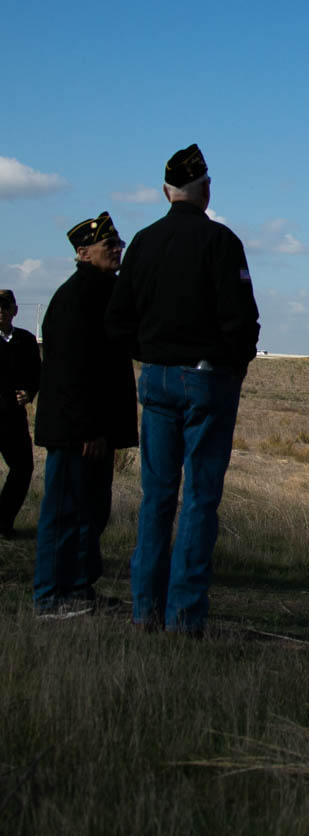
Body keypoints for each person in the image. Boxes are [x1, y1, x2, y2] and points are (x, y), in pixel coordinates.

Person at [106, 144, 260, 635]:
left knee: (156, 497)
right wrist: (234, 365)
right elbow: (242, 320)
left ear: (165, 192)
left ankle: (144, 610)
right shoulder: (221, 242)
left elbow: (117, 320)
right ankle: (184, 616)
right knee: (199, 497)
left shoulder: (143, 243)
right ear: (206, 189)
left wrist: (150, 353)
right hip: (206, 377)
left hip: (156, 376)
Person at [33, 212, 138, 615]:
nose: (117, 250)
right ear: (83, 253)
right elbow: (71, 370)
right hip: (76, 432)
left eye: (118, 244)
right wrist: (89, 428)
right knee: (65, 512)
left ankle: (78, 588)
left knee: (91, 513)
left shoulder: (104, 292)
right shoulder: (77, 296)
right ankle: (50, 596)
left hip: (95, 430)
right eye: (108, 245)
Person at [0, 288, 40, 538]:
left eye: (5, 306)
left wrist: (29, 392)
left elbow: (36, 373)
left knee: (23, 468)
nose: (0, 311)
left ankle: (3, 522)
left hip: (12, 417)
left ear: (15, 310)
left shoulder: (25, 340)